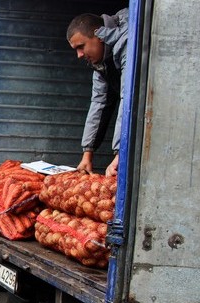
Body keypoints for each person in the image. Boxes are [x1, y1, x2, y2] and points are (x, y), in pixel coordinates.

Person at [67, 8, 129, 177]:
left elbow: (129, 98)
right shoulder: (100, 63)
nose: (79, 55)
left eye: (81, 47)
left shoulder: (128, 43)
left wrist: (120, 154)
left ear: (99, 35)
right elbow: (99, 103)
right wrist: (87, 153)